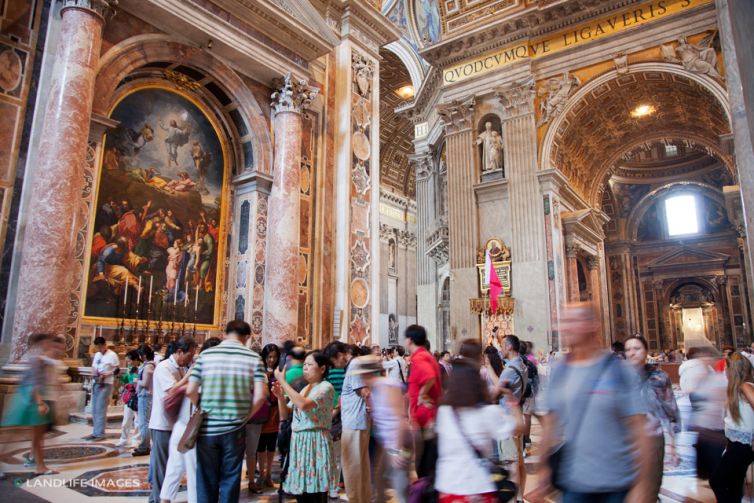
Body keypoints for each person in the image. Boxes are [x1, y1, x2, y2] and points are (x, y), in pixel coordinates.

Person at [528, 303, 650, 503]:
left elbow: (640, 432)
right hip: (574, 481)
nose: (564, 327)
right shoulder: (560, 371)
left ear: (592, 324)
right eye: (564, 321)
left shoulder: (619, 370)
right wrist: (544, 470)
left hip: (617, 482)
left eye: (572, 321)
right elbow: (550, 426)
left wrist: (642, 486)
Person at [187, 321, 267, 503]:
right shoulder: (253, 358)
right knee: (230, 479)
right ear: (247, 337)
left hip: (207, 427)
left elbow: (190, 390)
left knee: (206, 478)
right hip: (235, 428)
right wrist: (246, 416)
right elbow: (261, 396)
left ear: (225, 333)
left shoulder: (205, 355)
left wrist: (203, 406)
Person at [435, 357, 523, 502]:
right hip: (477, 488)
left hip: (447, 487)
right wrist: (510, 398)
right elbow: (519, 426)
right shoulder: (487, 413)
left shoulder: (444, 412)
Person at [160, 337, 220, 503]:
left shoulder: (194, 368)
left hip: (181, 424)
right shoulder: (207, 371)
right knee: (194, 474)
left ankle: (164, 500)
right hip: (193, 427)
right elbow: (196, 395)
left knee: (173, 469)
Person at [272, 351, 337, 502]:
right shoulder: (305, 388)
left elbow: (304, 404)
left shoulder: (326, 387)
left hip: (315, 442)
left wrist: (283, 382)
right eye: (305, 365)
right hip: (300, 442)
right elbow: (286, 413)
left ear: (322, 369)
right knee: (302, 493)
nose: (305, 368)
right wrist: (280, 396)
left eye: (310, 364)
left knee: (315, 492)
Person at [624, 335, 680, 500]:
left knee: (650, 487)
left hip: (652, 439)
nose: (632, 353)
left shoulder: (659, 377)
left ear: (646, 351)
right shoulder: (620, 377)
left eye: (637, 348)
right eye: (628, 349)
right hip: (626, 440)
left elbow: (670, 410)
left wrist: (673, 445)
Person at [350, 355, 411, 503]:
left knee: (400, 485)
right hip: (388, 443)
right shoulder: (374, 389)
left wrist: (397, 450)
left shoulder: (388, 386)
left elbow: (399, 419)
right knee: (379, 481)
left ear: (366, 374)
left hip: (400, 442)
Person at [1, 333, 58, 476]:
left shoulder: (39, 358)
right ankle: (40, 466)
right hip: (32, 396)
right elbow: (34, 383)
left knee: (31, 435)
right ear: (42, 343)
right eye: (48, 342)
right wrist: (40, 403)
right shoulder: (37, 359)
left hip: (29, 394)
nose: (51, 345)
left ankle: (40, 466)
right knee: (17, 434)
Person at [148, 337, 196, 503]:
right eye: (190, 354)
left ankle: (162, 498)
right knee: (161, 468)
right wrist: (189, 376)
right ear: (179, 351)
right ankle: (156, 499)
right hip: (161, 424)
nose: (191, 358)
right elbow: (172, 390)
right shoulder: (164, 368)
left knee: (172, 466)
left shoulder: (181, 368)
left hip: (175, 423)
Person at [710, 352, 754, 502]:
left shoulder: (745, 386)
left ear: (734, 369)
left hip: (742, 445)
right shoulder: (737, 388)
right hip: (736, 443)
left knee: (717, 481)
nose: (725, 371)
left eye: (727, 368)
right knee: (734, 484)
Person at [679, 346, 726, 480]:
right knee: (705, 475)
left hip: (716, 433)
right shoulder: (699, 375)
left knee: (717, 475)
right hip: (702, 433)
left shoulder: (720, 379)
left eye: (706, 357)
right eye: (701, 358)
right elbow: (689, 391)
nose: (703, 360)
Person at [404, 324, 442, 479]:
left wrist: (421, 395)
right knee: (427, 462)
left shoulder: (419, 357)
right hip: (428, 416)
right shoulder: (426, 355)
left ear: (410, 340)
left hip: (425, 418)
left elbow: (429, 377)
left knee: (424, 466)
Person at [494, 334, 528, 501]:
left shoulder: (509, 370)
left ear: (508, 347)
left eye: (502, 345)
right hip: (517, 414)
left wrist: (488, 370)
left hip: (508, 418)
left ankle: (512, 500)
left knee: (511, 463)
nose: (501, 348)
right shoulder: (521, 365)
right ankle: (520, 496)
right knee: (519, 460)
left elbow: (495, 392)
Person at [341, 340, 372, 503]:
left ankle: (356, 499)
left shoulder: (354, 365)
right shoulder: (359, 365)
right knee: (360, 465)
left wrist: (370, 406)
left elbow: (364, 391)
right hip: (359, 421)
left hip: (354, 422)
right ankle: (363, 499)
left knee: (352, 466)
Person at [324, 341, 350, 499]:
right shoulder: (338, 372)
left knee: (335, 454)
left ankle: (332, 485)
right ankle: (331, 485)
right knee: (334, 454)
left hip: (338, 415)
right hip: (334, 415)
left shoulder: (340, 371)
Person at [85, 336, 120, 441]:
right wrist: (94, 373)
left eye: (101, 347)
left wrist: (106, 375)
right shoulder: (97, 355)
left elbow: (117, 370)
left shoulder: (112, 355)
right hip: (96, 382)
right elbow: (94, 367)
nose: (99, 349)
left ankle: (100, 433)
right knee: (94, 408)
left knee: (101, 408)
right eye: (97, 347)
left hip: (106, 383)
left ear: (105, 345)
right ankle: (95, 432)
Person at [257, 344, 281, 490]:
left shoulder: (279, 371)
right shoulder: (259, 370)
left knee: (271, 444)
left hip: (275, 412)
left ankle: (269, 473)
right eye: (269, 357)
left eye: (274, 357)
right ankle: (261, 473)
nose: (271, 360)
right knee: (261, 445)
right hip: (262, 411)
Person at [116, 350, 142, 449]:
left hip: (137, 396)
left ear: (135, 360)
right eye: (127, 362)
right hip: (129, 396)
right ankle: (123, 439)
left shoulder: (141, 368)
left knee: (138, 420)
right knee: (126, 419)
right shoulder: (130, 368)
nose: (128, 363)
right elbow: (126, 380)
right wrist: (119, 376)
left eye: (130, 361)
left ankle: (136, 439)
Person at [133, 344, 156, 456]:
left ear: (144, 355)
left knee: (144, 422)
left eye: (141, 355)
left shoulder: (148, 367)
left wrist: (137, 381)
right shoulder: (149, 365)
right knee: (143, 421)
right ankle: (144, 445)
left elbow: (146, 383)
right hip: (145, 395)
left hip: (146, 395)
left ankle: (145, 446)